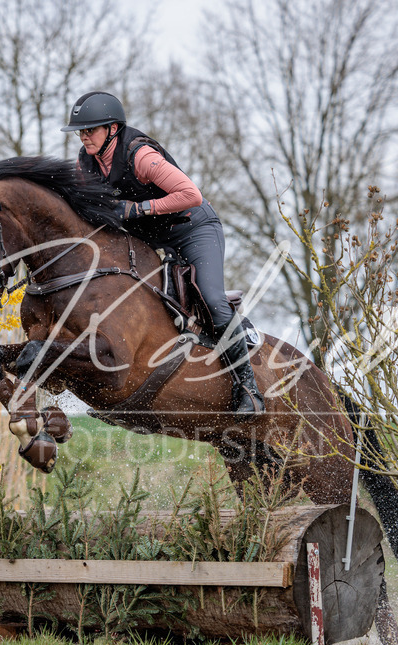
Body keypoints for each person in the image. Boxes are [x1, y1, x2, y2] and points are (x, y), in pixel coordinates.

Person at [61, 91, 264, 421]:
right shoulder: (87, 164)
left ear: (113, 128)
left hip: (193, 228)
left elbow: (190, 194)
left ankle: (249, 390)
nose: (84, 136)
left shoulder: (140, 155)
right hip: (153, 239)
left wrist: (139, 208)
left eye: (91, 129)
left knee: (211, 299)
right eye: (81, 131)